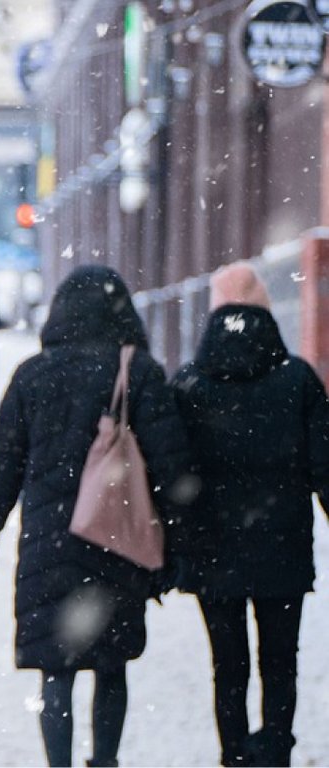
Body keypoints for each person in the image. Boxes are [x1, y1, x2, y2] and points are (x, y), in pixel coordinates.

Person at [0, 265, 193, 767]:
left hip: (50, 542)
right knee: (111, 664)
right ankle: (106, 761)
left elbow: (5, 459)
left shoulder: (32, 374)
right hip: (118, 536)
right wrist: (178, 544)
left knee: (56, 668)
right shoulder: (136, 371)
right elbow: (170, 465)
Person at [170, 262, 329, 767]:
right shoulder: (297, 378)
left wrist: (172, 537)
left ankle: (234, 754)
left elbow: (173, 470)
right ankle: (276, 748)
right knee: (281, 661)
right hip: (281, 545)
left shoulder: (191, 382)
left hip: (213, 548)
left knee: (228, 663)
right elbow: (324, 464)